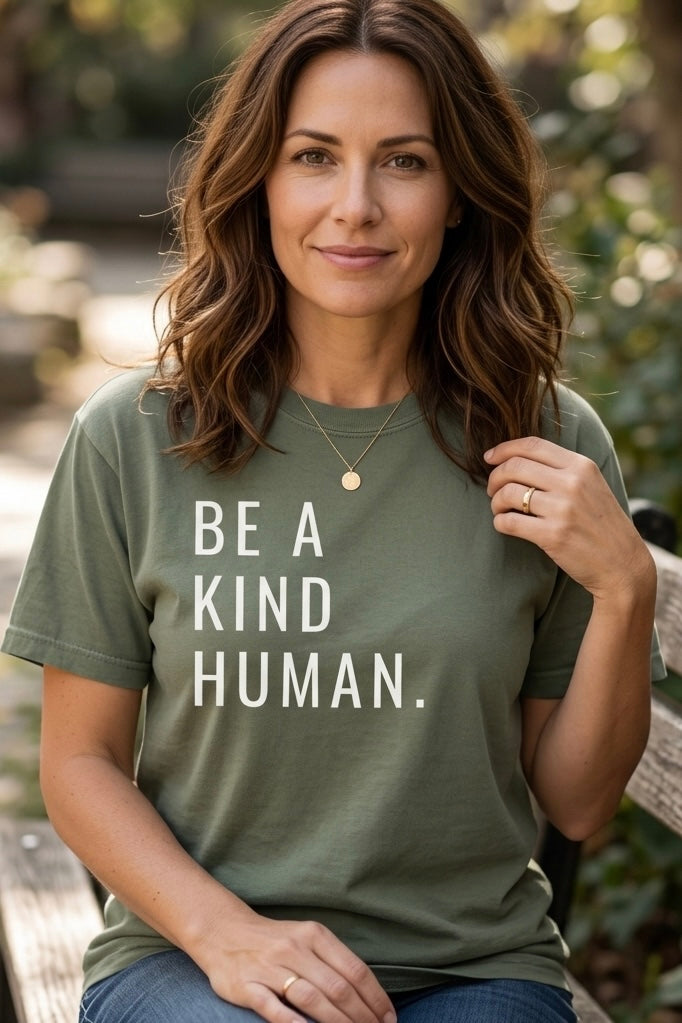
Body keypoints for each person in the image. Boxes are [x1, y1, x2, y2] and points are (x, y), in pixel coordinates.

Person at [1, 0, 665, 1021]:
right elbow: (81, 764)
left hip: (470, 971)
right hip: (191, 959)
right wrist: (226, 936)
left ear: (457, 194)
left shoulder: (548, 444)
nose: (354, 204)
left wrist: (623, 588)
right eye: (314, 157)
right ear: (258, 179)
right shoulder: (133, 440)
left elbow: (573, 801)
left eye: (402, 161)